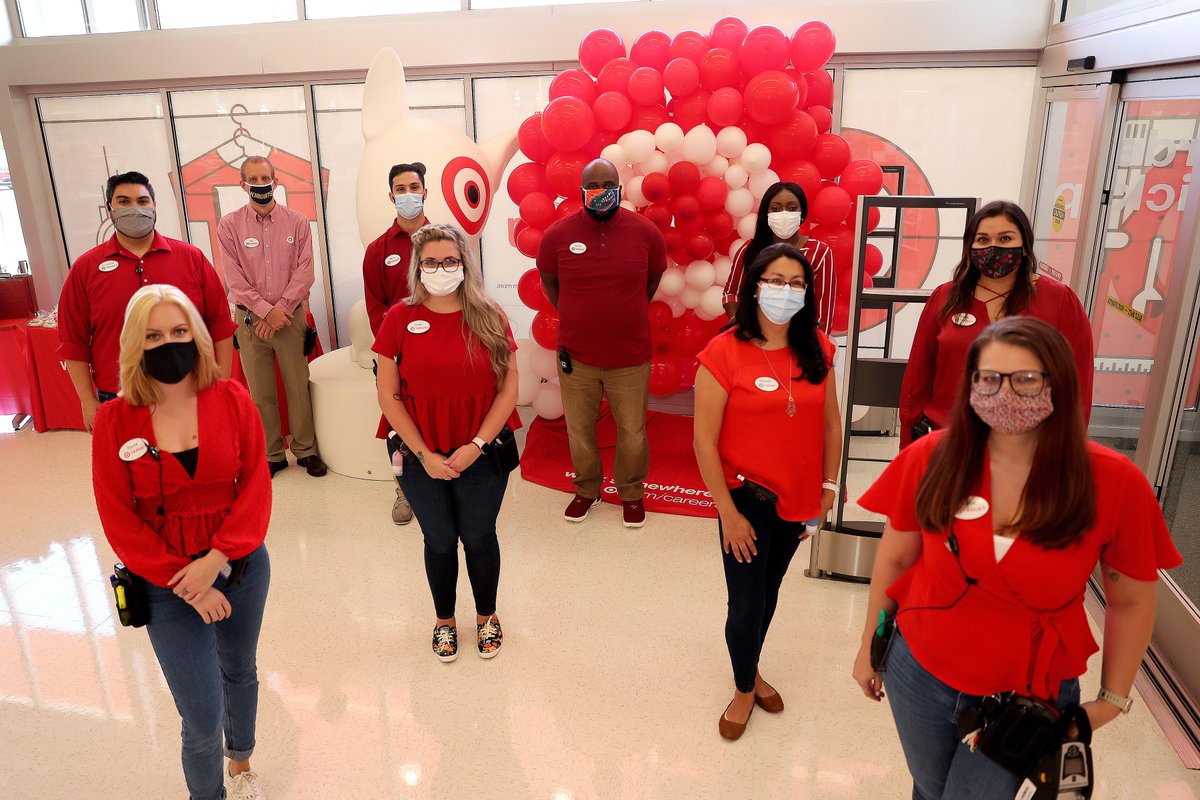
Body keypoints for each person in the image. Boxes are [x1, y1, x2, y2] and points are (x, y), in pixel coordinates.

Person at [851, 317, 1181, 800]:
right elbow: (897, 560)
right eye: (990, 378)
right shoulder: (932, 458)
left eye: (1025, 378)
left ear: (1058, 385)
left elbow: (1130, 600)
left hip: (1029, 691)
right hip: (919, 672)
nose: (1005, 393)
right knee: (928, 787)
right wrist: (869, 647)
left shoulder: (1113, 482)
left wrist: (1111, 701)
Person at [92, 285, 273, 800]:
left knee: (239, 671)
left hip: (238, 567)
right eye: (153, 335)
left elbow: (256, 487)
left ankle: (241, 766)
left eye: (178, 331)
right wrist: (191, 585)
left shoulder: (232, 398)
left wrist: (217, 559)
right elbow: (119, 518)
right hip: (163, 584)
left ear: (196, 335)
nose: (169, 343)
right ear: (134, 343)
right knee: (199, 715)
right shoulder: (114, 419)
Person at [694, 242, 842, 741]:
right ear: (755, 286)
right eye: (775, 281)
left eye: (796, 283)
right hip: (745, 499)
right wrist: (726, 513)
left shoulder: (818, 347)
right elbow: (704, 442)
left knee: (771, 591)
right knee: (746, 602)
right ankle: (742, 688)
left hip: (798, 498)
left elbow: (830, 424)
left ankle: (751, 668)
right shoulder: (723, 351)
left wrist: (829, 485)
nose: (785, 291)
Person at [373, 223, 520, 662]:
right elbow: (388, 395)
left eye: (450, 261)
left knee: (478, 536)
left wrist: (475, 445)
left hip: (483, 448)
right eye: (431, 262)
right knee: (438, 539)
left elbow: (508, 391)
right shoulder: (398, 319)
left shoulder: (491, 315)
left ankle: (487, 616)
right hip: (419, 451)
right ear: (418, 268)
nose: (441, 269)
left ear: (465, 264)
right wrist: (425, 455)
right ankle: (444, 621)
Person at [536, 157, 667, 528]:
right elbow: (550, 283)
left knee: (632, 430)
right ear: (581, 191)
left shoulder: (646, 233)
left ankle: (630, 492)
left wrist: (622, 311)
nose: (601, 193)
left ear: (620, 189)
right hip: (577, 356)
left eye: (607, 185)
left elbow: (652, 281)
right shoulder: (557, 235)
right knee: (578, 429)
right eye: (593, 186)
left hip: (630, 356)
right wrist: (580, 315)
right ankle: (588, 489)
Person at [899, 200, 1093, 448]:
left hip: (1029, 447)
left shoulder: (1059, 300)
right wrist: (908, 442)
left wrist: (1069, 445)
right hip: (948, 441)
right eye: (982, 240)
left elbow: (1078, 380)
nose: (993, 247)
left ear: (1024, 245)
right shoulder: (945, 297)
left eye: (1005, 239)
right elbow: (918, 376)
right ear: (970, 247)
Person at [58, 171, 236, 432]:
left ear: (154, 206)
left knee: (195, 468)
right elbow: (73, 342)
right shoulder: (85, 269)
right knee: (130, 471)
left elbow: (220, 326)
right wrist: (87, 401)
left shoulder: (191, 258)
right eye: (124, 201)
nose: (135, 208)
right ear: (110, 210)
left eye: (142, 201)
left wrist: (220, 384)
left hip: (190, 389)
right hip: (119, 396)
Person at [218, 156, 326, 479]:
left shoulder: (297, 222)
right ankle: (273, 454)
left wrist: (281, 309)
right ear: (242, 184)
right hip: (250, 321)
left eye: (266, 178)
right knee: (261, 391)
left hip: (290, 317)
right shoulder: (229, 226)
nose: (260, 184)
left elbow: (305, 272)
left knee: (298, 385)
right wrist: (266, 311)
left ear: (276, 181)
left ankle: (306, 450)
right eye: (253, 179)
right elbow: (233, 278)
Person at [362, 162, 431, 524]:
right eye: (400, 189)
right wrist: (395, 350)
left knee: (439, 419)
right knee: (397, 424)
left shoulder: (445, 240)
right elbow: (376, 309)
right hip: (396, 357)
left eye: (414, 187)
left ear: (425, 191)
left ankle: (441, 479)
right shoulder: (378, 250)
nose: (408, 194)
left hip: (439, 355)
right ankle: (403, 491)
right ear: (391, 196)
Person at [721, 182, 837, 333]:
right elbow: (732, 293)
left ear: (802, 212)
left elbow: (824, 310)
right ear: (766, 214)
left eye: (792, 208)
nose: (784, 214)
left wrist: (812, 347)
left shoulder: (820, 252)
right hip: (754, 339)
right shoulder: (749, 250)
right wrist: (738, 324)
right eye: (775, 209)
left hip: (800, 341)